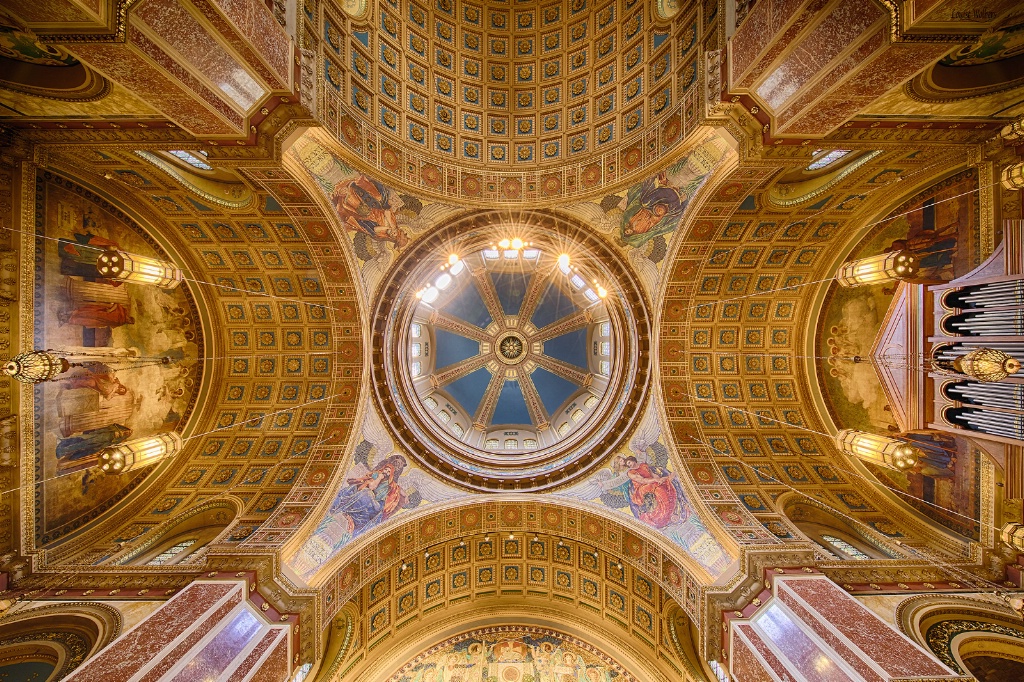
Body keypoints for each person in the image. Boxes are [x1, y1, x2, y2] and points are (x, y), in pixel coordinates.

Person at [330, 175, 408, 248]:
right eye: (400, 233)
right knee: (378, 197)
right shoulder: (394, 224)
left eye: (401, 236)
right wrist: (392, 226)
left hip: (368, 216)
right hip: (378, 209)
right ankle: (355, 185)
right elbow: (387, 212)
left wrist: (388, 229)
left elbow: (375, 229)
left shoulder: (384, 235)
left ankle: (344, 194)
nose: (401, 232)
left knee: (361, 208)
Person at [58, 301, 133, 328]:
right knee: (83, 313)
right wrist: (110, 310)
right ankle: (64, 313)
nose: (128, 322)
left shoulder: (122, 322)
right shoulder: (124, 312)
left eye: (129, 323)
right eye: (130, 321)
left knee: (83, 321)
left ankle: (65, 320)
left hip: (100, 321)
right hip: (100, 313)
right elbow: (117, 304)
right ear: (130, 318)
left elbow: (112, 324)